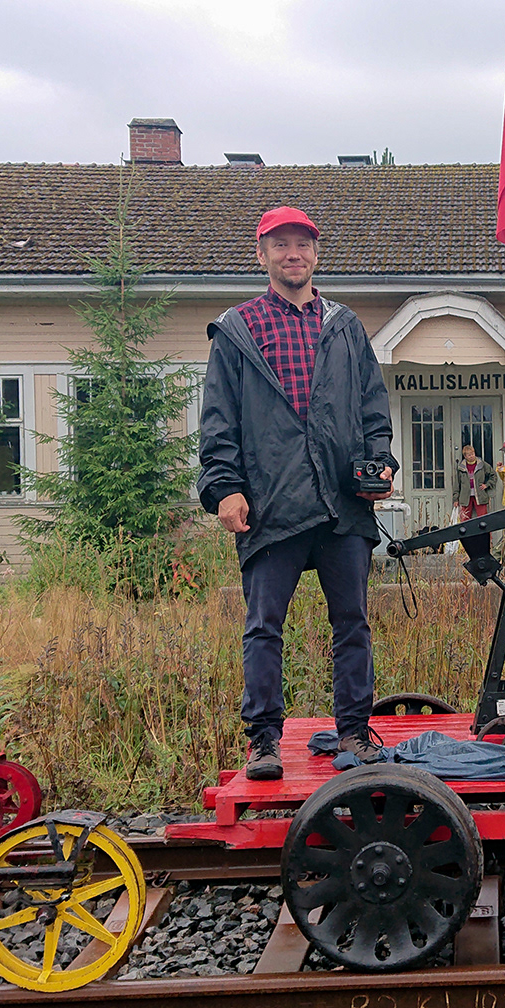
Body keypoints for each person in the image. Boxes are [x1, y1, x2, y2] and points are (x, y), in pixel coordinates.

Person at [198, 206, 398, 780]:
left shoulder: (345, 327)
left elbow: (372, 411)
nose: (294, 254)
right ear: (261, 255)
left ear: (315, 254)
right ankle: (264, 742)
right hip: (270, 505)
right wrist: (224, 490)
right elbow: (219, 423)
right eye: (281, 245)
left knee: (353, 622)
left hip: (341, 505)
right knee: (263, 627)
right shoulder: (238, 331)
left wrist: (378, 466)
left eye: (303, 245)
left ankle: (355, 733)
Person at [451, 443, 497, 522]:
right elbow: (457, 484)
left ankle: (485, 534)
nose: (472, 456)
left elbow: (493, 475)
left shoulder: (481, 464)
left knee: (483, 519)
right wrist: (456, 499)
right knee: (464, 520)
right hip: (465, 497)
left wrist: (487, 485)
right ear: (465, 456)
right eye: (469, 455)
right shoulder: (461, 468)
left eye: (472, 454)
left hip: (480, 495)